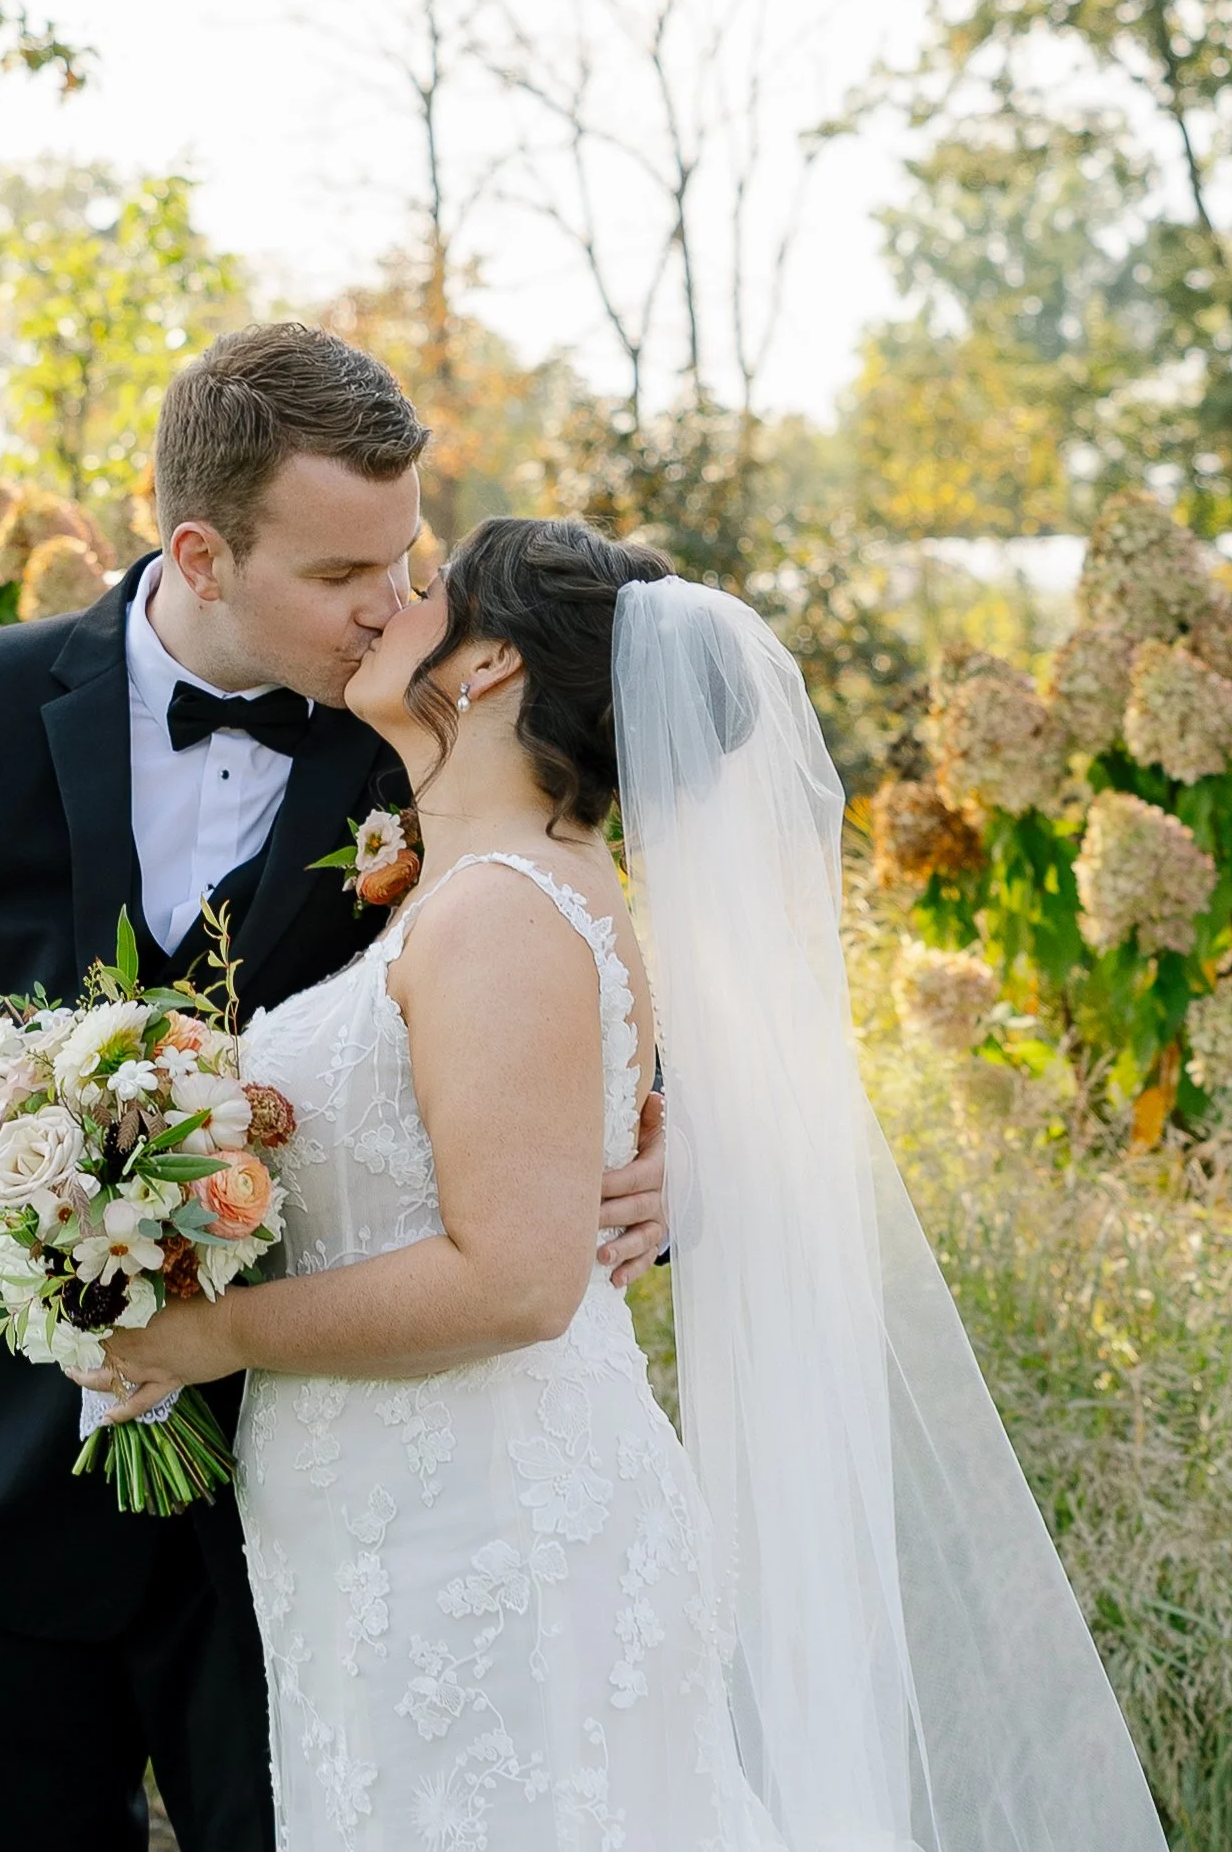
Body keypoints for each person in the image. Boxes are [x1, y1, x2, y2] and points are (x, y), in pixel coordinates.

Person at [92, 518, 1171, 1852]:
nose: (388, 609)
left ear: (486, 668)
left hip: (485, 1533)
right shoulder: (486, 890)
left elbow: (519, 1277)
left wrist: (204, 1334)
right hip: (397, 1526)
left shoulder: (500, 910)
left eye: (426, 591)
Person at [0, 330, 670, 1852]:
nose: (394, 604)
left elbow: (581, 973)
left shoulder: (425, 736)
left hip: (311, 1517)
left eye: (408, 560)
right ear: (201, 548)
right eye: (346, 572)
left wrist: (682, 1160)